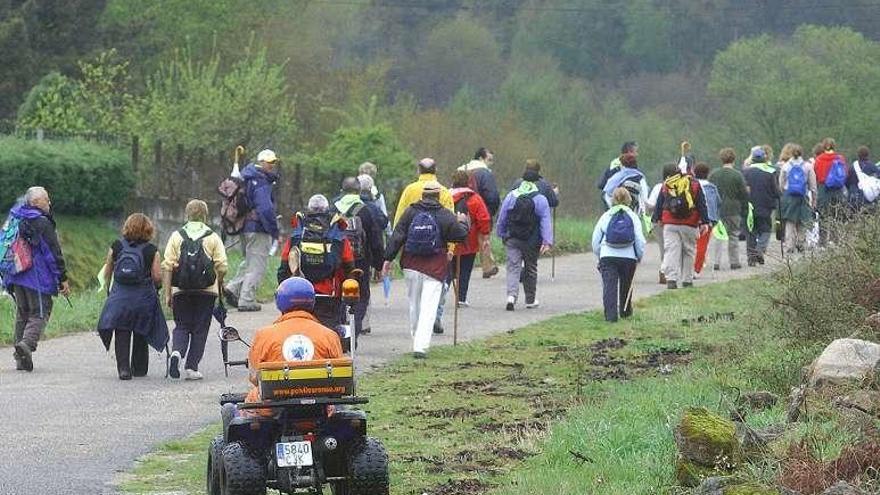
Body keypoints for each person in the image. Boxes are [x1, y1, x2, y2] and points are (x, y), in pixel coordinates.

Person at [382, 181, 469, 358]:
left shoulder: (410, 212)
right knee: (429, 306)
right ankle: (420, 347)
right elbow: (460, 236)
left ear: (423, 195)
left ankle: (416, 337)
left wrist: (388, 259)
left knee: (414, 304)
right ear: (438, 196)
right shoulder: (445, 215)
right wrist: (463, 223)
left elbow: (397, 236)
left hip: (411, 265)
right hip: (435, 268)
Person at [242, 277, 344, 412]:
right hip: (320, 408)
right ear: (312, 301)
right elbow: (339, 378)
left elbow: (254, 378)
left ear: (280, 301)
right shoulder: (329, 335)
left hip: (272, 409)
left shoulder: (264, 335)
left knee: (235, 408)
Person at [3, 187, 69, 372]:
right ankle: (26, 345)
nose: (49, 203)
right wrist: (62, 277)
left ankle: (20, 358)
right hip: (36, 277)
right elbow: (53, 253)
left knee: (22, 314)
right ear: (34, 203)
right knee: (40, 312)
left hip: (16, 275)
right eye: (46, 200)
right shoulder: (41, 222)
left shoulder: (16, 216)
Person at [162, 200, 228, 380]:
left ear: (187, 215)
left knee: (182, 325)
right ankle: (192, 367)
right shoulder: (212, 236)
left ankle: (177, 353)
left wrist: (168, 293)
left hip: (181, 290)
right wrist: (219, 284)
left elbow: (167, 266)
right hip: (206, 291)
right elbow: (222, 266)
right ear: (205, 216)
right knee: (200, 328)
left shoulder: (177, 235)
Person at [97, 214, 169, 380]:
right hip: (142, 297)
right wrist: (157, 287)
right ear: (148, 230)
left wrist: (109, 291)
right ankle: (139, 368)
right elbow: (157, 276)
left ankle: (123, 369)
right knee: (141, 329)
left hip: (120, 296)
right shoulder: (152, 250)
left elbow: (108, 270)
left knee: (121, 330)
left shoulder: (116, 246)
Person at [278, 194, 357, 333]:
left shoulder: (298, 234)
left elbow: (284, 265)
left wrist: (283, 288)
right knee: (328, 333)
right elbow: (349, 266)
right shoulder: (337, 234)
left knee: (297, 332)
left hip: (298, 293)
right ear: (327, 209)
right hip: (329, 294)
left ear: (308, 209)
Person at [224, 149, 280, 312]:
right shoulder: (260, 180)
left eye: (273, 163)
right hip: (258, 228)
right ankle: (246, 300)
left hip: (245, 227)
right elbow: (265, 208)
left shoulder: (247, 176)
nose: (271, 166)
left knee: (249, 261)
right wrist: (274, 230)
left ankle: (233, 288)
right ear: (261, 162)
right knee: (258, 266)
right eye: (269, 162)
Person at [496, 167, 554, 310]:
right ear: (536, 181)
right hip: (531, 240)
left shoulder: (511, 196)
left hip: (512, 238)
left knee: (513, 267)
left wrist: (501, 232)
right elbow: (545, 221)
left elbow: (502, 216)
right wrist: (547, 241)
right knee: (531, 268)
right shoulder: (540, 199)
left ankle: (511, 296)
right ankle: (530, 300)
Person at [333, 178, 385, 335]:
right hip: (360, 261)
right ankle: (354, 329)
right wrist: (378, 264)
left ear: (342, 190)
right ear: (358, 191)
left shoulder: (333, 208)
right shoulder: (365, 210)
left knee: (338, 293)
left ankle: (340, 327)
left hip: (337, 260)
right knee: (361, 295)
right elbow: (376, 240)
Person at [651, 163, 710, 289]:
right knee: (688, 251)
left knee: (671, 250)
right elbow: (701, 204)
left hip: (670, 224)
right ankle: (687, 280)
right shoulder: (693, 183)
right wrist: (705, 221)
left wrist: (656, 218)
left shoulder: (667, 184)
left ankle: (671, 279)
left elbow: (659, 203)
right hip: (690, 223)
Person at [591, 187, 646, 322]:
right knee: (626, 286)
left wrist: (600, 255)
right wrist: (639, 256)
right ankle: (625, 311)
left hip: (608, 256)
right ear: (629, 199)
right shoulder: (633, 216)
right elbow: (639, 240)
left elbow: (595, 240)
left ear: (613, 199)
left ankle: (610, 317)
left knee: (609, 286)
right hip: (629, 257)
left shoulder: (606, 215)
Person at [450, 170, 492, 307]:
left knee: (448, 271)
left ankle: (441, 295)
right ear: (468, 182)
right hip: (469, 241)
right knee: (465, 271)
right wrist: (485, 235)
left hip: (449, 241)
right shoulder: (475, 198)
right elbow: (484, 218)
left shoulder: (446, 196)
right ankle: (461, 298)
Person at [459, 148, 501, 279]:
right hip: (480, 209)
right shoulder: (485, 173)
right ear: (481, 159)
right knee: (484, 238)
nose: (491, 163)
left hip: (461, 211)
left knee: (463, 239)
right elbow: (493, 196)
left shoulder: (461, 169)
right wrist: (490, 212)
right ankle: (487, 266)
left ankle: (458, 267)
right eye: (489, 160)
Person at [709, 148, 749, 270]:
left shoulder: (714, 175)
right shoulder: (737, 175)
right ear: (734, 159)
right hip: (734, 209)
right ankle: (734, 262)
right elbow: (743, 194)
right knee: (733, 235)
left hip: (718, 210)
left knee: (718, 236)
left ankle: (716, 262)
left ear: (721, 159)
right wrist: (745, 210)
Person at [743, 148, 780, 266]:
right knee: (765, 230)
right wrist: (779, 195)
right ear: (764, 158)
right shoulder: (770, 171)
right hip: (765, 206)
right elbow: (775, 190)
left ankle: (751, 259)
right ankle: (760, 249)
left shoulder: (745, 172)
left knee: (751, 231)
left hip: (749, 206)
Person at [778, 144, 816, 255]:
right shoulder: (808, 166)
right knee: (802, 220)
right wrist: (814, 199)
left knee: (790, 221)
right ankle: (801, 243)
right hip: (802, 196)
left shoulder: (785, 166)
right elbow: (813, 185)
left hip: (789, 196)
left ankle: (789, 246)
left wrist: (783, 193)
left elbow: (781, 184)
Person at [394, 157, 454, 226]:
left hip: (412, 235)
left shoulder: (409, 190)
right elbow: (450, 219)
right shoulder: (444, 191)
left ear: (418, 171)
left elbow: (400, 216)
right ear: (436, 170)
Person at [812, 138, 849, 245]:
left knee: (823, 216)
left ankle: (822, 241)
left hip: (824, 189)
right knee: (836, 216)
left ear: (823, 146)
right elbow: (845, 174)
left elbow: (816, 174)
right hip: (837, 190)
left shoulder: (819, 159)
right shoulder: (840, 158)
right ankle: (835, 240)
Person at [693, 163, 720, 274]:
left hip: (693, 219)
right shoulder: (712, 188)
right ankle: (697, 269)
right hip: (708, 219)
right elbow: (718, 202)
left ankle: (688, 267)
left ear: (694, 173)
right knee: (702, 245)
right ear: (708, 174)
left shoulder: (692, 185)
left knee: (691, 245)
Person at [358, 162, 391, 236]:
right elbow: (384, 216)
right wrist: (389, 234)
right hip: (374, 233)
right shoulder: (378, 195)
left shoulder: (353, 194)